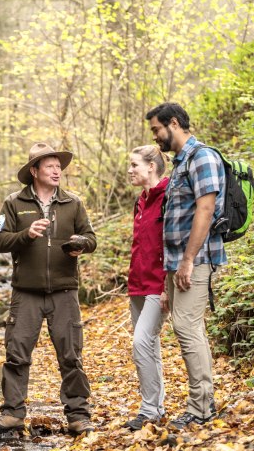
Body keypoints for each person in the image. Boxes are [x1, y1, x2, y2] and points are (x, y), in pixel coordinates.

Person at [0, 142, 97, 436]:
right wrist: (26, 234)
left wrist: (80, 245)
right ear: (34, 171)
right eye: (50, 166)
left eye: (59, 166)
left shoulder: (73, 202)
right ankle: (12, 414)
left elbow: (91, 238)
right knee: (16, 354)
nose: (57, 170)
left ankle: (78, 416)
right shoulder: (14, 203)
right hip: (26, 293)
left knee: (71, 355)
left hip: (64, 292)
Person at [146, 102, 226, 429]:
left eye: (156, 130)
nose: (155, 138)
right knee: (188, 328)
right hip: (178, 262)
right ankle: (202, 403)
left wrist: (189, 260)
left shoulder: (202, 156)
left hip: (198, 259)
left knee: (187, 328)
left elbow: (205, 210)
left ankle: (202, 408)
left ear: (174, 123)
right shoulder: (179, 163)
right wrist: (170, 273)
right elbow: (174, 220)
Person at [123, 145, 169, 431]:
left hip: (158, 285)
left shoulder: (168, 196)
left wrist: (167, 287)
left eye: (134, 164)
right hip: (137, 284)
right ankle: (156, 407)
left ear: (151, 166)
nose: (130, 170)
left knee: (141, 343)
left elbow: (173, 243)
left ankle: (149, 409)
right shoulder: (141, 200)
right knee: (149, 346)